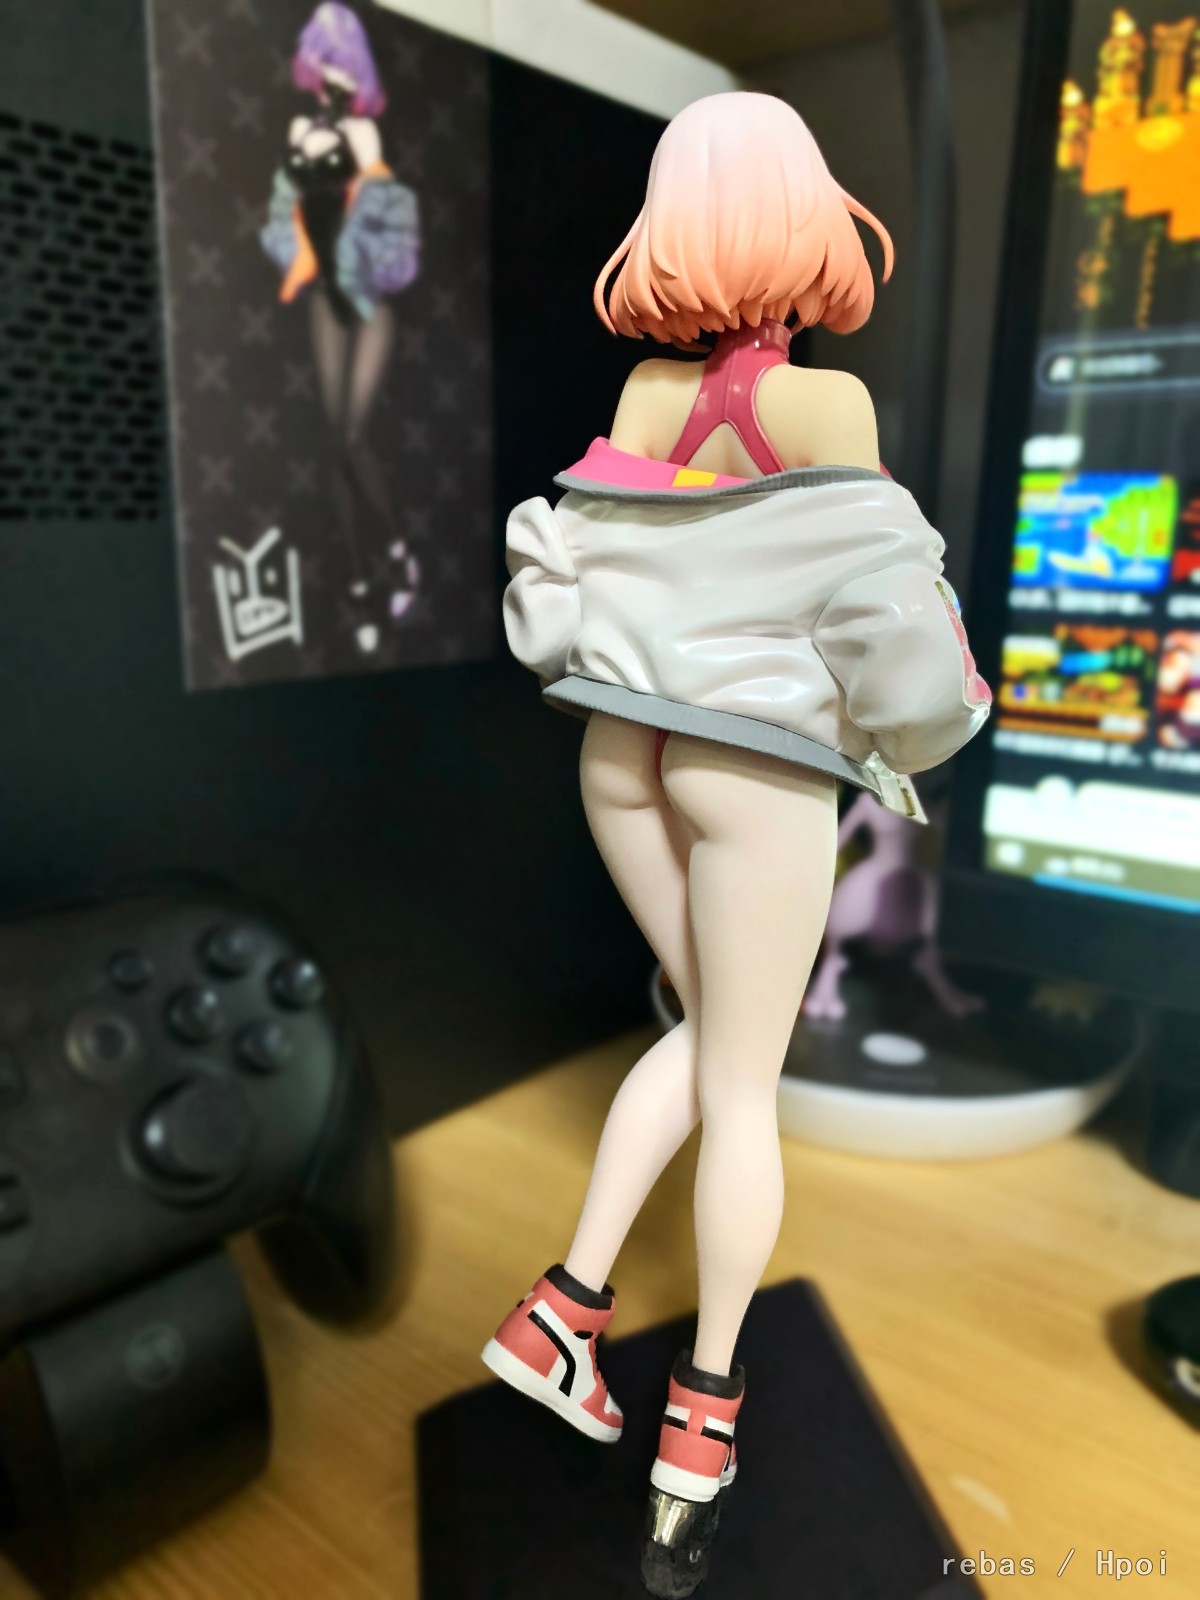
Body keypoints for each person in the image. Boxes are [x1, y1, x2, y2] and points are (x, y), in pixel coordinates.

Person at [483, 91, 991, 1592]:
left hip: (617, 751)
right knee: (744, 1083)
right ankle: (699, 1425)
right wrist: (923, 729)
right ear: (805, 216)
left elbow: (572, 584)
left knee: (711, 1035)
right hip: (750, 767)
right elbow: (890, 637)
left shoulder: (647, 395)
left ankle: (564, 1313)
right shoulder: (829, 413)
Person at [261, 2, 420, 654]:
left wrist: (372, 173)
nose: (335, 82)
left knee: (354, 439)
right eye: (326, 68)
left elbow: (401, 262)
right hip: (325, 301)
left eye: (346, 70)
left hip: (370, 304)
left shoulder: (369, 146)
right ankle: (359, 586)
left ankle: (397, 553)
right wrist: (298, 180)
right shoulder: (300, 137)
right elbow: (278, 232)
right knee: (334, 444)